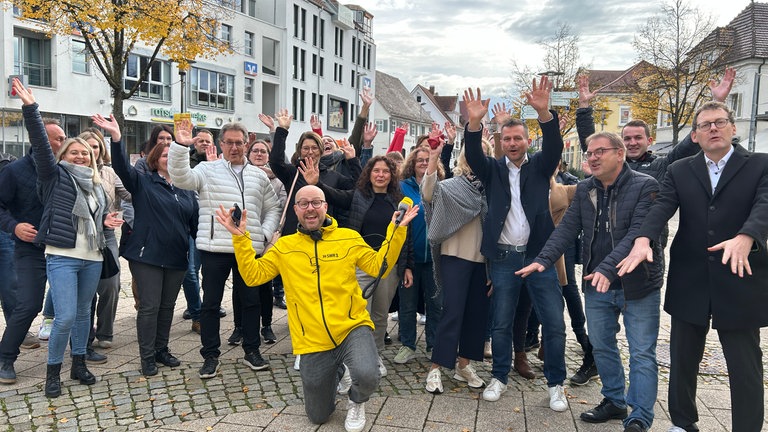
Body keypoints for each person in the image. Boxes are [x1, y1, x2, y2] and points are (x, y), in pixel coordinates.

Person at [214, 184, 419, 432]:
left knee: (368, 373)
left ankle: (357, 400)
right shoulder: (284, 247)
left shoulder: (348, 238)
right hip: (312, 339)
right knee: (318, 416)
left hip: (351, 327)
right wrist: (240, 239)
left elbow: (379, 266)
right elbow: (253, 276)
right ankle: (337, 372)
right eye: (304, 204)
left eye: (316, 203)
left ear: (325, 206)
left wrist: (396, 231)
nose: (310, 208)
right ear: (296, 210)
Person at [618, 101, 768, 432]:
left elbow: (765, 203)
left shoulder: (759, 165)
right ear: (696, 135)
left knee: (744, 363)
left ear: (732, 128)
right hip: (691, 275)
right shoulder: (681, 169)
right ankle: (683, 422)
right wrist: (642, 240)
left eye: (719, 122)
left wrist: (747, 235)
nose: (713, 128)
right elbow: (661, 209)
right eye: (705, 125)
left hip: (740, 274)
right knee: (683, 357)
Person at [518, 132, 662, 432]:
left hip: (638, 285)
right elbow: (566, 230)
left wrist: (607, 268)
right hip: (597, 284)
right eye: (590, 152)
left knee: (641, 351)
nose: (593, 157)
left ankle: (640, 415)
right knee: (601, 345)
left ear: (620, 154)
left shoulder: (645, 186)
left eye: (600, 151)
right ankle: (613, 399)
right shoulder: (585, 189)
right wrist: (542, 260)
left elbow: (637, 234)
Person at [463, 78, 569, 412]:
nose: (512, 143)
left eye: (518, 138)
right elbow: (472, 154)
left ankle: (555, 384)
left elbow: (554, 147)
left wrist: (543, 113)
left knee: (553, 322)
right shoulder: (492, 170)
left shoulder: (539, 167)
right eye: (507, 138)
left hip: (539, 257)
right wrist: (475, 124)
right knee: (501, 322)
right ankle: (499, 377)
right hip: (505, 258)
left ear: (527, 140)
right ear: (501, 141)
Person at [12, 79, 123, 397]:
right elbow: (41, 144)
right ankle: (52, 372)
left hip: (92, 256)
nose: (79, 156)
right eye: (73, 152)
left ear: (91, 157)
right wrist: (31, 109)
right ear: (63, 154)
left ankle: (78, 364)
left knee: (84, 314)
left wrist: (106, 219)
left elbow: (95, 219)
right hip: (62, 256)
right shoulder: (53, 175)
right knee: (65, 316)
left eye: (84, 153)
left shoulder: (96, 183)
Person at [168, 121, 281, 379]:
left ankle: (252, 350)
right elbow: (180, 177)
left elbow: (273, 208)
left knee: (251, 302)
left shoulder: (259, 175)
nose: (234, 147)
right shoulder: (207, 169)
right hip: (214, 247)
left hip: (248, 248)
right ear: (221, 144)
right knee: (210, 304)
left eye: (239, 142)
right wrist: (180, 146)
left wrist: (263, 234)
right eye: (229, 142)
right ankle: (210, 355)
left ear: (247, 143)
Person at [95, 114, 198, 377]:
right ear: (154, 158)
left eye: (172, 155)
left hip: (176, 256)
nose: (168, 159)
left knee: (167, 306)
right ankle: (147, 356)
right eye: (164, 155)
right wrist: (116, 138)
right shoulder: (142, 181)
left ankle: (162, 349)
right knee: (150, 306)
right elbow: (121, 168)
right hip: (147, 255)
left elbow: (195, 224)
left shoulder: (186, 189)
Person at [302, 155, 413, 377]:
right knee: (359, 313)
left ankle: (375, 355)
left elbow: (405, 236)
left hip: (387, 266)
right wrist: (316, 184)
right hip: (360, 265)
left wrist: (407, 266)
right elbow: (334, 196)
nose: (380, 175)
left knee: (380, 314)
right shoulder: (358, 197)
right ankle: (355, 358)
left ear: (392, 175)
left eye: (385, 171)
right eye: (376, 171)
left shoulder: (399, 200)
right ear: (369, 174)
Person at [421, 135, 492, 394]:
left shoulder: (492, 188)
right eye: (473, 152)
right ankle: (437, 368)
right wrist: (433, 158)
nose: (477, 156)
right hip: (454, 257)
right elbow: (428, 194)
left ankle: (464, 365)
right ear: (464, 156)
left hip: (482, 262)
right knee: (452, 312)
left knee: (477, 315)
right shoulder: (451, 185)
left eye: (483, 152)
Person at [0, 121, 62, 384]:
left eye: (63, 138)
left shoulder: (65, 170)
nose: (62, 142)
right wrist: (14, 226)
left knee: (80, 303)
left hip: (64, 247)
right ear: (40, 140)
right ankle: (5, 358)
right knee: (29, 303)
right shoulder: (13, 171)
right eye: (57, 138)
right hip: (29, 247)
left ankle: (83, 350)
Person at [79, 129, 131, 351]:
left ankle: (105, 331)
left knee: (111, 283)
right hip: (80, 235)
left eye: (96, 146)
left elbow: (130, 193)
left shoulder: (109, 173)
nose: (92, 150)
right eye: (87, 146)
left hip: (107, 235)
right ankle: (84, 334)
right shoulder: (71, 172)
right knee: (85, 288)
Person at [397, 139, 444, 366]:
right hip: (410, 257)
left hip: (436, 258)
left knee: (435, 303)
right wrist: (404, 262)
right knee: (408, 304)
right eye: (420, 161)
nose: (424, 164)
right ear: (412, 164)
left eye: (428, 160)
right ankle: (407, 344)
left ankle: (433, 344)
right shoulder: (402, 187)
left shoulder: (442, 185)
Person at [244, 139, 288, 341]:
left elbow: (281, 207)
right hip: (244, 237)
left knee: (265, 286)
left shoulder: (278, 182)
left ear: (268, 156)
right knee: (242, 286)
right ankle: (239, 326)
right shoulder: (240, 176)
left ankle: (267, 325)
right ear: (249, 153)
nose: (259, 154)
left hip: (268, 237)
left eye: (263, 151)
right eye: (255, 151)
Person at [182, 128, 216, 334]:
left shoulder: (221, 163)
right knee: (191, 271)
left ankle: (209, 305)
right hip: (191, 225)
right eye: (200, 140)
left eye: (207, 141)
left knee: (209, 271)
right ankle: (197, 311)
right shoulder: (187, 163)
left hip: (212, 225)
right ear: (195, 143)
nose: (204, 144)